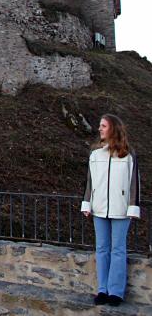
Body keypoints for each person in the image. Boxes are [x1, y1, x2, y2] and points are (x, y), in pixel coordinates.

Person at [81, 114, 141, 307]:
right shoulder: (95, 155)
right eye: (100, 125)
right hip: (99, 209)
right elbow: (90, 183)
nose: (99, 129)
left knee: (118, 250)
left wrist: (133, 207)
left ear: (113, 129)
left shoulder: (128, 155)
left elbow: (134, 184)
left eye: (103, 126)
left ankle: (116, 292)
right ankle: (102, 290)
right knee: (102, 249)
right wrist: (87, 203)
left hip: (121, 209)